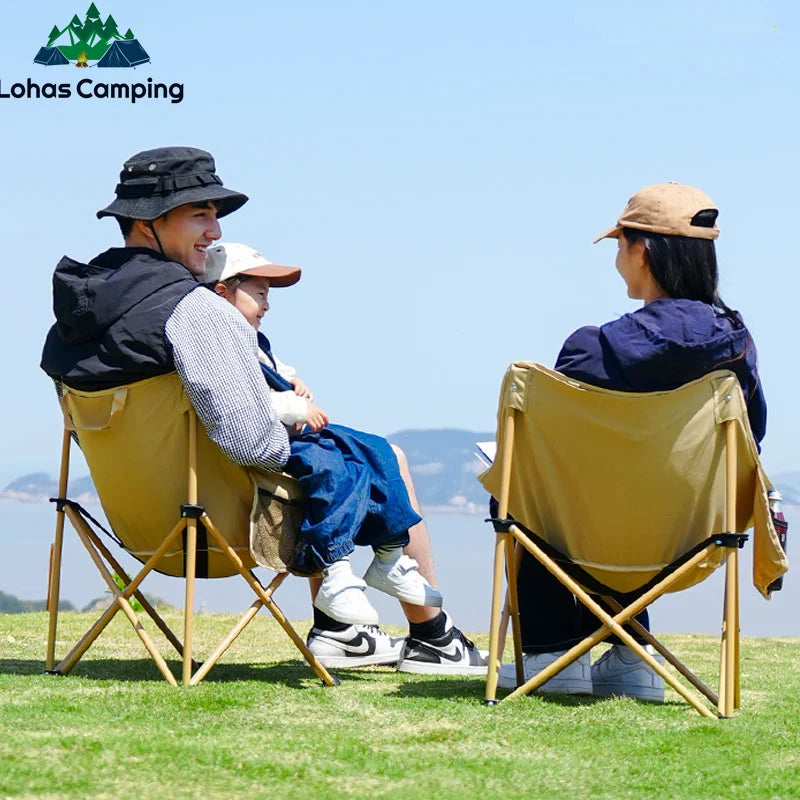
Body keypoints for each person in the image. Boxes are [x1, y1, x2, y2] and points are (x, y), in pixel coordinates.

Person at [40, 146, 487, 675]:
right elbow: (251, 444)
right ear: (147, 222)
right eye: (199, 214)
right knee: (363, 457)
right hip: (221, 525)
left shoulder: (74, 325)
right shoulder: (196, 309)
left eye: (215, 215)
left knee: (347, 453)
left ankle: (345, 631)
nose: (214, 231)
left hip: (134, 528)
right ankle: (431, 636)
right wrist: (301, 431)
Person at [497, 182, 766, 700]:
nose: (617, 257)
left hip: (585, 536)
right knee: (643, 495)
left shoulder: (591, 348)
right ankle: (631, 655)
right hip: (691, 536)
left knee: (529, 484)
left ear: (641, 250)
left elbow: (556, 447)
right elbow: (752, 439)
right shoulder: (738, 349)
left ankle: (552, 652)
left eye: (620, 245)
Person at [202, 241, 443, 629]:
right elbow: (243, 405)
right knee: (332, 469)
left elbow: (277, 373)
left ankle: (390, 555)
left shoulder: (254, 341)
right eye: (259, 293)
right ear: (222, 292)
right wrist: (297, 408)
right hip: (273, 447)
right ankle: (335, 565)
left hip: (292, 435)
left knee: (376, 451)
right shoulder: (218, 345)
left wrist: (293, 380)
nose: (267, 304)